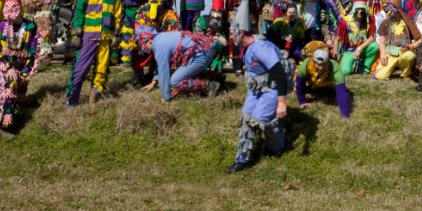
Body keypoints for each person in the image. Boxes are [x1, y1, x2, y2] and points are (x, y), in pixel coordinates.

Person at [226, 30, 290, 173]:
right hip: (256, 88)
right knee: (247, 119)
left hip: (272, 88)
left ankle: (279, 145)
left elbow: (280, 74)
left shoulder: (261, 48)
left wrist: (281, 103)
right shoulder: (245, 46)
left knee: (259, 119)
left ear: (241, 33)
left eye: (231, 33)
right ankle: (241, 160)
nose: (229, 37)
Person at [0, 0, 40, 137]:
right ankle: (4, 124)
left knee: (20, 91)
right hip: (6, 67)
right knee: (10, 86)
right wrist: (7, 67)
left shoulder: (31, 27)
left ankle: (19, 113)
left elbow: (34, 51)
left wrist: (26, 73)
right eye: (7, 8)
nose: (10, 12)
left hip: (23, 66)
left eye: (13, 8)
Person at [66, 0, 120, 107]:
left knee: (102, 70)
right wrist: (76, 34)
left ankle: (94, 99)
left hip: (106, 37)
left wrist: (116, 34)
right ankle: (71, 102)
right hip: (88, 37)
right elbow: (79, 14)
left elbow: (117, 14)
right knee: (80, 69)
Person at [144, 27, 222, 100]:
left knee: (175, 81)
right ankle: (215, 77)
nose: (143, 49)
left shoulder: (158, 45)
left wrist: (166, 96)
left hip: (201, 54)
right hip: (206, 48)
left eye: (143, 45)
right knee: (183, 72)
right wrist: (153, 82)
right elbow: (162, 65)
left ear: (149, 40)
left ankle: (209, 85)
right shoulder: (160, 38)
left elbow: (163, 71)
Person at [329, 0, 378, 76]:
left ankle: (365, 68)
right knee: (345, 72)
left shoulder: (369, 21)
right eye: (357, 10)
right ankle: (349, 63)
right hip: (348, 50)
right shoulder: (345, 22)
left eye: (362, 10)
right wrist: (335, 56)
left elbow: (372, 38)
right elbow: (337, 39)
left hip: (361, 48)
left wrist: (359, 49)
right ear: (354, 10)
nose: (360, 13)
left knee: (374, 46)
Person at [293, 40, 351, 117]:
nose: (321, 68)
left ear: (328, 62)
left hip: (325, 81)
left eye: (324, 65)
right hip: (309, 80)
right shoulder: (305, 65)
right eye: (319, 65)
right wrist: (302, 102)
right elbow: (299, 84)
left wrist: (345, 115)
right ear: (313, 62)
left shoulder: (335, 70)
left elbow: (342, 92)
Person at [374, 0, 420, 80]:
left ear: (399, 10)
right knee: (380, 76)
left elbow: (419, 40)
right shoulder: (385, 22)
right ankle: (389, 68)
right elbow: (381, 41)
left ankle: (406, 73)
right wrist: (383, 54)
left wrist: (410, 47)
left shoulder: (408, 22)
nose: (390, 11)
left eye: (392, 9)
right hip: (389, 54)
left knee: (410, 56)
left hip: (404, 53)